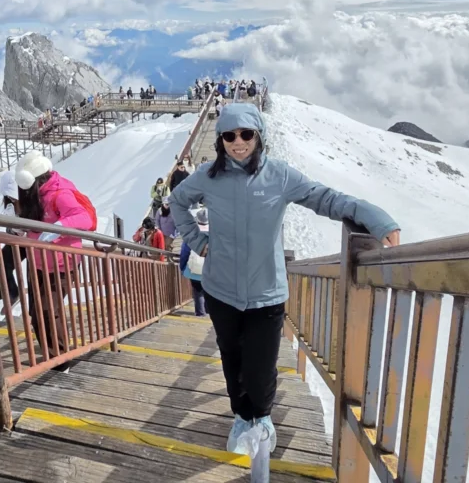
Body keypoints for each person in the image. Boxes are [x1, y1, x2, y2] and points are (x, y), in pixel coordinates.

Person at [170, 102, 401, 456]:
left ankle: (262, 417)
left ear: (258, 136)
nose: (238, 142)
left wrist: (375, 218)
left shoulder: (279, 175)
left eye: (246, 134)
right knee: (232, 358)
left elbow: (324, 198)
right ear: (220, 140)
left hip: (266, 291)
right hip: (220, 289)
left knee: (261, 366)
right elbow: (177, 202)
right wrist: (199, 242)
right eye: (229, 135)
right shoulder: (207, 176)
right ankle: (241, 417)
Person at [16, 151, 94, 364]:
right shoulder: (37, 195)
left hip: (60, 265)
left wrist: (59, 227)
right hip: (38, 262)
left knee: (48, 311)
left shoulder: (60, 193)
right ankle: (53, 355)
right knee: (37, 312)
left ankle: (60, 360)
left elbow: (83, 218)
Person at [0, 171, 28, 302]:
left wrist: (21, 228)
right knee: (1, 262)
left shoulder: (28, 199)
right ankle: (13, 292)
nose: (11, 198)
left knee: (34, 275)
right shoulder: (10, 203)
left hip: (32, 241)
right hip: (18, 241)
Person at [179, 208, 208, 316]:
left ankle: (200, 313)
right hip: (211, 269)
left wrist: (182, 267)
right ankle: (209, 311)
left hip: (195, 267)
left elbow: (185, 252)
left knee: (197, 290)